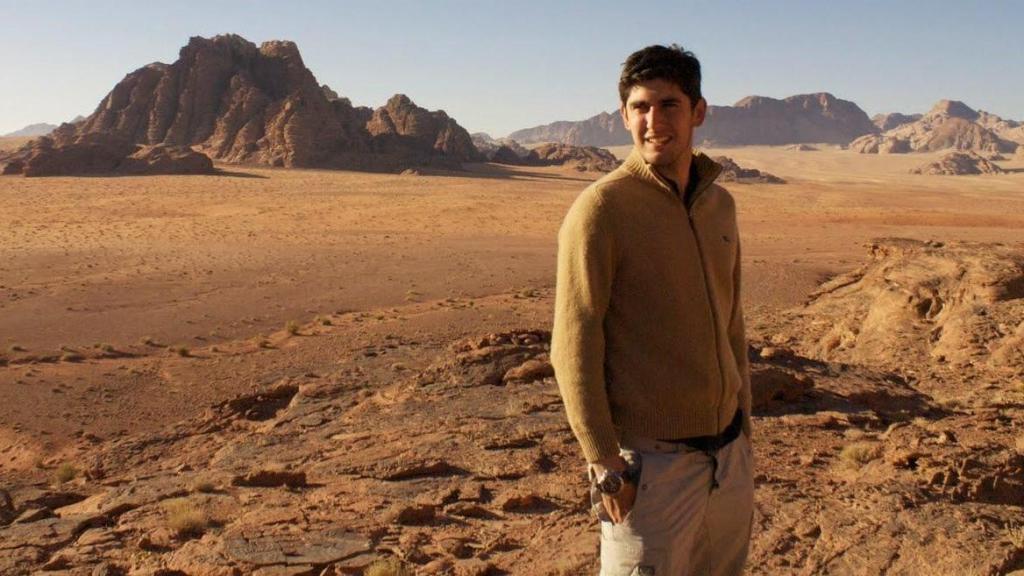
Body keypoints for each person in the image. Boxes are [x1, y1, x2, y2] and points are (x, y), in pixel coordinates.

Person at [551, 44, 754, 575]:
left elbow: (733, 326)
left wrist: (745, 431)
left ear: (698, 112)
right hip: (652, 468)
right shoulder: (602, 209)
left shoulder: (719, 204)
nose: (653, 121)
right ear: (623, 116)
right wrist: (606, 467)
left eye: (669, 105)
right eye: (640, 107)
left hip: (728, 461)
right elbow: (574, 344)